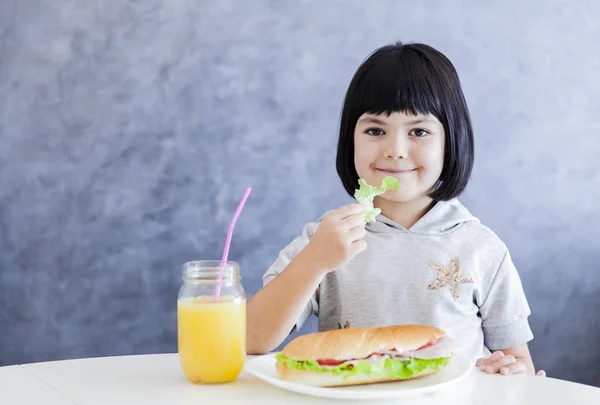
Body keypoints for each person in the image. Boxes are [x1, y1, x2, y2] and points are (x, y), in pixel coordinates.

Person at [247, 41, 545, 376]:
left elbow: (519, 366)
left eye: (419, 131)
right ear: (351, 140)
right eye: (375, 130)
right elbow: (251, 338)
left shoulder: (483, 248)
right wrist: (314, 261)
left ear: (451, 142)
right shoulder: (325, 240)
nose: (395, 150)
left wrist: (509, 371)